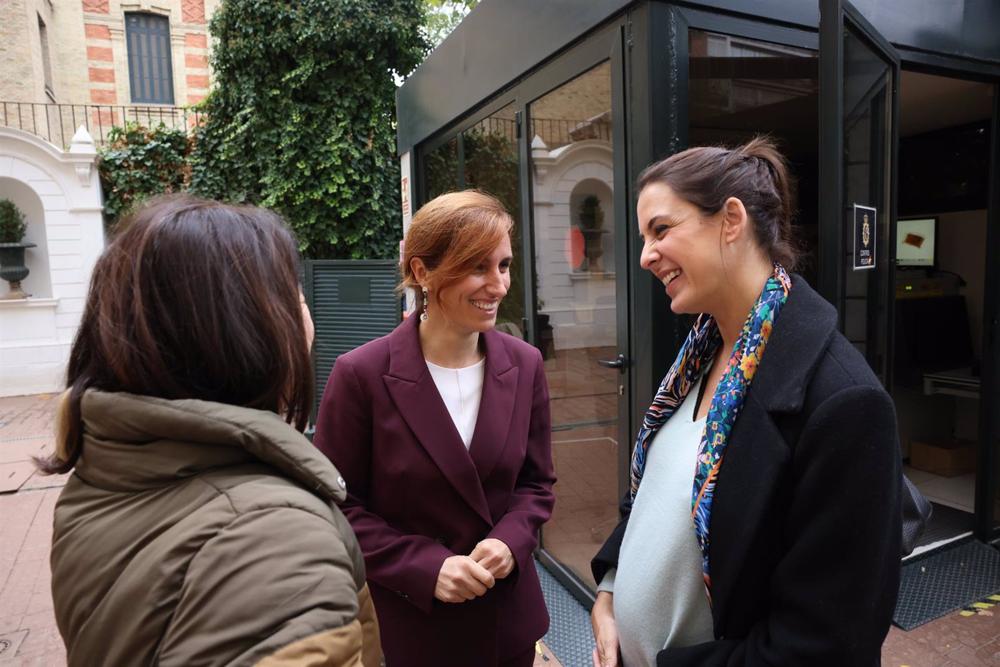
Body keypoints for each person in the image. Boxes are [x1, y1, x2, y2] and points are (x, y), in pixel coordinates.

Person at [590, 138, 902, 666]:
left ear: (730, 220)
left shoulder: (845, 402)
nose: (645, 256)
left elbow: (823, 646)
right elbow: (651, 497)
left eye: (661, 230)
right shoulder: (699, 354)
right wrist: (611, 590)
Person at [40, 195, 381, 666]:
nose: (307, 319)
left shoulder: (108, 475)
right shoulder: (271, 540)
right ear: (246, 328)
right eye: (295, 297)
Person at [314, 190, 556, 667]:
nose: (498, 285)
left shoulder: (525, 364)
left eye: (504, 265)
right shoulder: (361, 374)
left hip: (509, 625)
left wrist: (511, 541)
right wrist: (426, 567)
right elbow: (338, 508)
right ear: (422, 272)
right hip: (418, 630)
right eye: (478, 267)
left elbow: (536, 484)